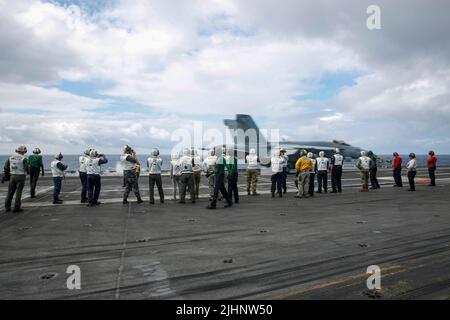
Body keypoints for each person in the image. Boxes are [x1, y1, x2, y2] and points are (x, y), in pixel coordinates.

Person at [4, 145, 29, 212]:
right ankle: (16, 207)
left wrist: (6, 176)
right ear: (24, 151)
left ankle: (7, 207)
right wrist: (28, 172)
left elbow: (6, 167)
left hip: (12, 176)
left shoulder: (10, 157)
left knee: (10, 192)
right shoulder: (24, 158)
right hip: (21, 176)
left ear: (17, 151)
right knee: (18, 192)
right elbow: (27, 168)